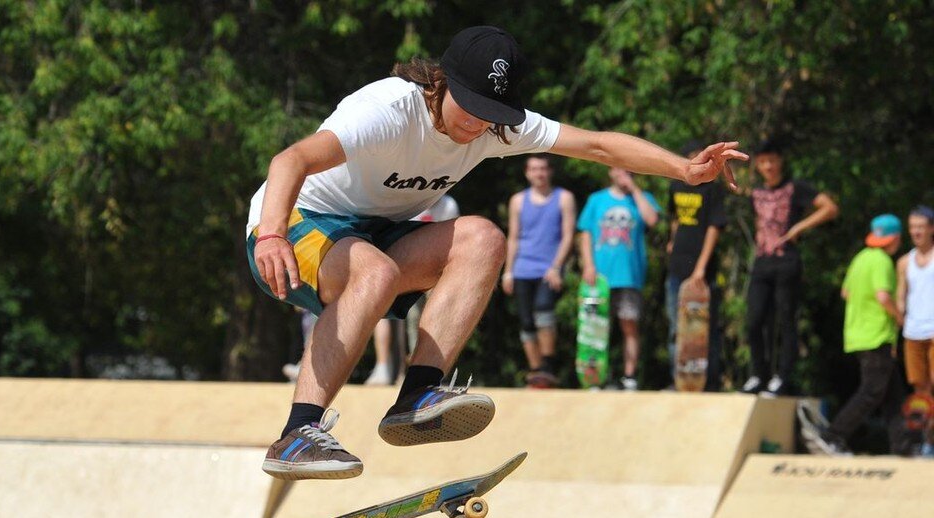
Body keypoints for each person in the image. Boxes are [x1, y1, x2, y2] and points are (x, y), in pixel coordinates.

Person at [249, 25, 747, 480]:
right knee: (374, 273)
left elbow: (597, 147)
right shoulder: (388, 111)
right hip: (297, 219)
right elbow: (290, 159)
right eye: (469, 108)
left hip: (378, 233)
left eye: (491, 114)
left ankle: (416, 394)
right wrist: (271, 233)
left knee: (483, 239)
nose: (477, 125)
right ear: (441, 84)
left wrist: (684, 170)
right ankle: (297, 434)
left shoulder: (496, 127)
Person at [741, 139, 839, 397]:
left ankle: (782, 377)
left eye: (772, 160)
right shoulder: (756, 192)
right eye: (763, 162)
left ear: (780, 161)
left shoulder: (796, 188)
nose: (768, 166)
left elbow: (829, 207)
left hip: (787, 261)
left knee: (785, 321)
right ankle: (757, 374)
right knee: (754, 320)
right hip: (763, 261)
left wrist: (799, 227)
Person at [801, 214, 903, 456]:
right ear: (896, 238)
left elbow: (846, 292)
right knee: (872, 392)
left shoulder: (861, 258)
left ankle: (904, 447)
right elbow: (883, 296)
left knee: (893, 396)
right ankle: (833, 436)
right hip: (876, 335)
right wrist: (900, 318)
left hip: (857, 334)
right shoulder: (882, 261)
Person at [577, 168, 661, 391]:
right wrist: (588, 265)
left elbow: (652, 220)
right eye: (619, 169)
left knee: (629, 325)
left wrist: (634, 189)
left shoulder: (643, 198)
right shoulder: (596, 199)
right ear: (610, 171)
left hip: (629, 275)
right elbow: (585, 234)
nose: (624, 173)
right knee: (595, 329)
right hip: (599, 276)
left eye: (628, 170)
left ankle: (629, 376)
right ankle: (594, 377)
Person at [366, 195, 461, 385]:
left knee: (430, 319)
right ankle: (387, 369)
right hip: (402, 268)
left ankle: (425, 372)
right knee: (392, 318)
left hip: (436, 272)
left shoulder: (448, 205)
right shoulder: (408, 201)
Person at [502, 155, 576, 387]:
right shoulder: (517, 201)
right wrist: (508, 271)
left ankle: (547, 364)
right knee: (526, 321)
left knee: (544, 310)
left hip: (549, 268)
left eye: (543, 168)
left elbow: (568, 236)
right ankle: (536, 372)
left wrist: (556, 267)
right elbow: (513, 237)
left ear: (550, 171)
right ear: (527, 172)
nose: (539, 173)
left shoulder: (564, 198)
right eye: (534, 169)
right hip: (523, 267)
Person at [665, 140, 727, 391]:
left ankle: (709, 383)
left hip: (703, 270)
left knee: (703, 329)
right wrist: (671, 241)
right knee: (675, 326)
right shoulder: (675, 183)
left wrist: (701, 267)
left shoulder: (712, 189)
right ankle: (678, 381)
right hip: (677, 264)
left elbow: (714, 228)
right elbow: (675, 218)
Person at [896, 205, 934, 399]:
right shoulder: (904, 262)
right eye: (912, 227)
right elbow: (900, 298)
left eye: (920, 226)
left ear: (931, 228)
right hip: (913, 332)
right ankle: (926, 429)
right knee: (919, 387)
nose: (916, 231)